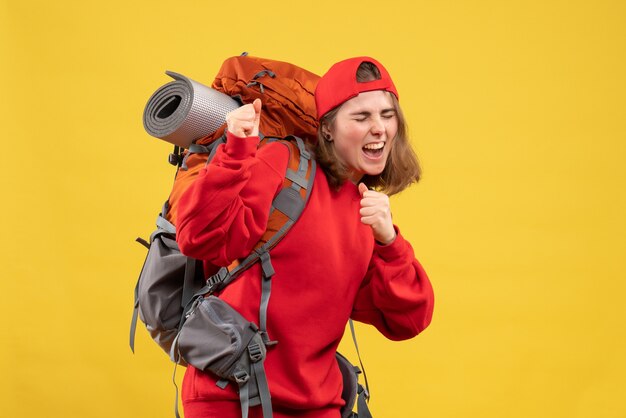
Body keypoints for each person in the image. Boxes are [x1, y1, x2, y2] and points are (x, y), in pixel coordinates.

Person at [176, 56, 435, 418]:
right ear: (327, 128)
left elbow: (409, 319)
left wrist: (391, 242)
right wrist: (235, 152)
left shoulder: (365, 208)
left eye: (387, 115)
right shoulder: (284, 164)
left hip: (319, 405)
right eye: (361, 117)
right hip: (233, 397)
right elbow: (200, 237)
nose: (379, 129)